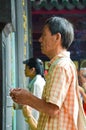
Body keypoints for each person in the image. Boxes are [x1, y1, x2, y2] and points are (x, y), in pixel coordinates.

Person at [10, 16, 79, 130]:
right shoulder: (62, 65)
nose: (40, 39)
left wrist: (27, 97)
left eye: (44, 35)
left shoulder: (60, 67)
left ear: (57, 37)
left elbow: (52, 109)